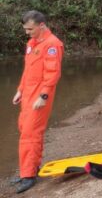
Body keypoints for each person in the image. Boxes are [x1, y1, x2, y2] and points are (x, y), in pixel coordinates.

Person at [11, 11, 64, 194]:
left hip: (39, 97)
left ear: (41, 25)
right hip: (28, 95)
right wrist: (20, 90)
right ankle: (31, 169)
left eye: (30, 29)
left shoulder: (52, 45)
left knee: (30, 134)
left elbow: (52, 74)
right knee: (24, 128)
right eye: (25, 29)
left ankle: (28, 176)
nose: (27, 32)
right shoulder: (32, 43)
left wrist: (44, 96)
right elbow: (28, 71)